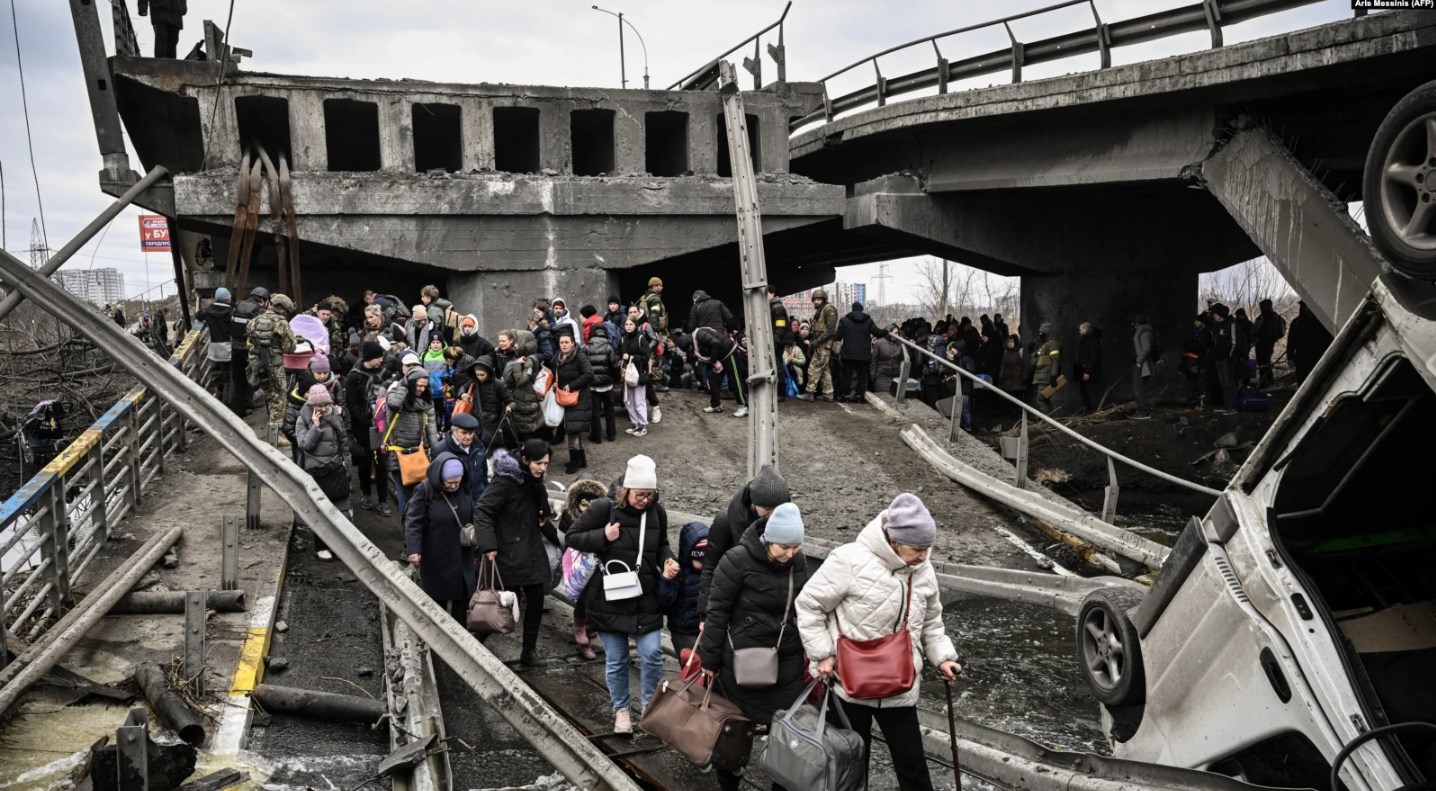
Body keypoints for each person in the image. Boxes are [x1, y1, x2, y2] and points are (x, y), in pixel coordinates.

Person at [796, 493, 962, 791]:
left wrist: (943, 657)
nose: (924, 556)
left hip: (900, 685)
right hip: (849, 685)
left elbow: (931, 622)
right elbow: (809, 605)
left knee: (913, 764)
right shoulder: (848, 559)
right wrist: (822, 654)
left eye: (928, 548)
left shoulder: (923, 571)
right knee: (851, 767)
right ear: (895, 541)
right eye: (917, 549)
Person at [564, 455, 678, 734]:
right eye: (640, 495)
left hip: (645, 596)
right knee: (617, 660)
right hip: (610, 596)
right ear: (627, 489)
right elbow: (572, 536)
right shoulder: (604, 508)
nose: (645, 500)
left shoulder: (657, 512)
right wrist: (603, 536)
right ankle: (622, 711)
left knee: (652, 654)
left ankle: (649, 709)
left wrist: (668, 559)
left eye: (650, 495)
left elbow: (661, 543)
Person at [700, 503, 808, 791]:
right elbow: (717, 611)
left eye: (796, 547)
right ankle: (730, 778)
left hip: (786, 658)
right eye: (784, 547)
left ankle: (781, 783)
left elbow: (804, 607)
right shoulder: (736, 560)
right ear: (768, 540)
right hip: (741, 659)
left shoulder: (797, 562)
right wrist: (709, 660)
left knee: (786, 729)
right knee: (734, 727)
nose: (790, 554)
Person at [474, 441, 558, 666]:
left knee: (536, 600)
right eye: (539, 463)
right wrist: (488, 545)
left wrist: (559, 537)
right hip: (509, 552)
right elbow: (482, 511)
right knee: (502, 604)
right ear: (525, 460)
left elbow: (540, 516)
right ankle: (473, 642)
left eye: (546, 464)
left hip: (531, 550)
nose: (543, 468)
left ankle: (529, 651)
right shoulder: (506, 482)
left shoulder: (535, 483)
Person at [699, 465, 790, 614]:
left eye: (777, 510)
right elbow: (710, 567)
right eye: (767, 510)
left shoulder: (789, 525)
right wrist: (705, 613)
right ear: (753, 503)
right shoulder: (725, 522)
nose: (772, 516)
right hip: (735, 605)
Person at [404, 454, 476, 622]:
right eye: (449, 482)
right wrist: (414, 550)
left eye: (457, 482)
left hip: (462, 555)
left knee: (462, 599)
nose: (454, 486)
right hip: (436, 557)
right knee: (437, 603)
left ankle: (459, 633)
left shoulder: (464, 488)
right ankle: (437, 634)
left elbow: (473, 513)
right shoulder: (425, 490)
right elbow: (413, 522)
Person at [296, 384, 351, 561]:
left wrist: (347, 465)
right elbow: (304, 445)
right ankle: (321, 546)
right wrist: (316, 426)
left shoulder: (335, 416)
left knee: (341, 509)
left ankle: (343, 545)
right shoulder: (303, 418)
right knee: (320, 510)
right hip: (316, 471)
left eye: (325, 404)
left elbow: (343, 441)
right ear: (312, 404)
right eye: (319, 405)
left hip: (336, 467)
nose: (322, 408)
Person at [560, 479, 609, 660]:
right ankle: (580, 629)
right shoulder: (570, 516)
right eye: (584, 503)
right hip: (578, 562)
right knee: (584, 595)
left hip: (599, 560)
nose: (587, 508)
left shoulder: (604, 516)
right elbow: (567, 536)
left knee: (597, 595)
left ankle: (589, 627)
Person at [345, 340, 393, 515]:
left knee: (382, 464)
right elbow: (351, 403)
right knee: (365, 463)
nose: (381, 360)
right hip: (362, 427)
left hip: (381, 426)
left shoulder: (384, 374)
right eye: (378, 357)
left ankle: (383, 500)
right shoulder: (354, 377)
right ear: (369, 358)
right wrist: (366, 420)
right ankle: (366, 494)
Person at [385, 367, 440, 511]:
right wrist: (404, 386)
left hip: (420, 453)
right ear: (410, 383)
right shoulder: (395, 394)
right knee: (405, 495)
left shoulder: (426, 400)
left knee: (420, 493)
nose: (422, 389)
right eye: (418, 385)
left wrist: (434, 449)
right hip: (398, 454)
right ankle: (406, 523)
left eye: (424, 386)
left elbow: (431, 425)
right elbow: (394, 404)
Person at [247, 292, 298, 446]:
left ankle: (271, 428)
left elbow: (249, 342)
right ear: (285, 309)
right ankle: (276, 436)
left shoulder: (255, 320)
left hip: (257, 366)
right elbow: (290, 347)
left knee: (269, 396)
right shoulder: (281, 323)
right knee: (279, 399)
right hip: (274, 367)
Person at [666, 522, 708, 665]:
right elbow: (665, 602)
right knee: (691, 667)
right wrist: (666, 580)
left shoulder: (713, 573)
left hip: (705, 630)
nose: (703, 564)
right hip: (683, 631)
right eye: (699, 560)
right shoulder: (678, 574)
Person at [553, 328, 594, 474]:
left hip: (578, 397)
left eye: (566, 342)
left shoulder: (579, 356)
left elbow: (589, 373)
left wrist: (572, 385)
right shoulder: (559, 356)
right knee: (572, 429)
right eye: (561, 342)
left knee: (572, 430)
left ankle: (575, 461)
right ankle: (581, 459)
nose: (564, 345)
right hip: (567, 397)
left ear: (572, 343)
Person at [684, 325, 748, 418]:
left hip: (729, 352)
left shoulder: (700, 334)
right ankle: (715, 405)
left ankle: (743, 406)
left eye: (689, 348)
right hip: (721, 357)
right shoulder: (697, 338)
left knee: (735, 380)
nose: (691, 349)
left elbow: (715, 342)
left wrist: (713, 360)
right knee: (713, 378)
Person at [835, 302, 889, 403]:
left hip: (848, 354)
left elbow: (837, 336)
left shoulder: (844, 320)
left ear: (852, 309)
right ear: (862, 309)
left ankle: (846, 396)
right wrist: (886, 330)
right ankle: (859, 397)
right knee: (862, 377)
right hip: (864, 355)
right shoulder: (868, 321)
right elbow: (878, 333)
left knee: (847, 376)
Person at [502, 329, 547, 442]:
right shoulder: (521, 357)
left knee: (526, 429)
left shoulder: (530, 360)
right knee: (521, 428)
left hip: (526, 399)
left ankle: (532, 450)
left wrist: (516, 365)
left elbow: (521, 380)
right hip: (522, 398)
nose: (514, 345)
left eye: (517, 342)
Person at [798, 288, 840, 401]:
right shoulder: (820, 311)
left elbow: (831, 330)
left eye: (819, 299)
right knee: (824, 369)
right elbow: (817, 329)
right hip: (820, 343)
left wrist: (817, 342)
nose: (816, 301)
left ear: (824, 300)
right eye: (815, 299)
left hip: (824, 344)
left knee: (814, 368)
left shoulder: (829, 310)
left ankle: (810, 392)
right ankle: (828, 394)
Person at [195, 288, 233, 404]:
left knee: (217, 375)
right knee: (228, 377)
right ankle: (226, 404)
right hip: (228, 348)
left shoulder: (208, 311)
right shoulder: (231, 312)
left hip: (214, 349)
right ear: (227, 300)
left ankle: (218, 398)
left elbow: (198, 315)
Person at [441, 412, 488, 505]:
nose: (468, 437)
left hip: (479, 502)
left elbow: (484, 476)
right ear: (454, 430)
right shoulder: (442, 450)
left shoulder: (479, 447)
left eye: (471, 433)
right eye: (464, 433)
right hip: (457, 504)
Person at [619, 317, 652, 437]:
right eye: (626, 324)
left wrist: (631, 357)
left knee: (639, 401)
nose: (628, 326)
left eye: (631, 324)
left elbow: (646, 356)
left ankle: (643, 426)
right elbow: (620, 354)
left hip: (638, 374)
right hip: (627, 374)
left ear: (635, 325)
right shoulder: (623, 339)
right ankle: (635, 424)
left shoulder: (641, 338)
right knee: (629, 401)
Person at [585, 323, 618, 444]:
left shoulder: (586, 347)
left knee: (595, 412)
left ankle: (596, 436)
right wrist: (616, 379)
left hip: (593, 385)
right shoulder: (609, 347)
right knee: (610, 409)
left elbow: (584, 367)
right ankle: (611, 434)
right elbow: (615, 366)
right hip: (607, 384)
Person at [1286, 301, 1332, 384]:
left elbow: (1329, 338)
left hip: (1318, 355)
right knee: (1302, 380)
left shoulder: (1321, 321)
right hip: (1301, 356)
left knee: (1319, 379)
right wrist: (1290, 357)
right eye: (1307, 306)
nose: (1309, 308)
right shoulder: (1296, 322)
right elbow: (1291, 341)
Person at [1209, 304, 1238, 414]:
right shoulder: (1216, 325)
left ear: (1220, 314)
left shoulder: (1231, 324)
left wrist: (1230, 356)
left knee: (1229, 382)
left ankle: (1232, 406)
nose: (1213, 316)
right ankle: (1226, 404)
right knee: (1223, 382)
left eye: (1215, 314)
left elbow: (1235, 342)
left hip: (1227, 359)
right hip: (1218, 358)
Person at [1180, 315, 1212, 409]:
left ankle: (1200, 403)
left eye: (1197, 321)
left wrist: (1194, 345)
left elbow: (1203, 346)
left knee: (1200, 383)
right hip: (1191, 361)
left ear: (1202, 322)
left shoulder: (1207, 334)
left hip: (1202, 362)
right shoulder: (1194, 332)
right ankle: (1191, 403)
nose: (1195, 323)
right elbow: (1185, 343)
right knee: (1190, 383)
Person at [1253, 298, 1285, 388]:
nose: (1261, 308)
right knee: (1262, 362)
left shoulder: (1273, 317)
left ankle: (1268, 381)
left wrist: (1271, 337)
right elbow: (1256, 329)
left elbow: (1273, 331)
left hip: (1267, 343)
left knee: (1265, 362)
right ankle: (1264, 381)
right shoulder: (1263, 317)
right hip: (1261, 342)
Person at [1030, 322, 1062, 410]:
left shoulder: (1053, 344)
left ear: (1047, 332)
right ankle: (1052, 417)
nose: (1040, 334)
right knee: (1045, 399)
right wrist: (1034, 350)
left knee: (1041, 399)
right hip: (1042, 376)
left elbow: (1055, 360)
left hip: (1047, 376)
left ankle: (1046, 418)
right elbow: (1036, 360)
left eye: (1042, 332)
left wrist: (1053, 376)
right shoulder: (1044, 345)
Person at [768, 288, 793, 399]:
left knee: (777, 365)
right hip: (777, 340)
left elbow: (780, 326)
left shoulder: (777, 307)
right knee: (776, 364)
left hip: (778, 341)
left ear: (772, 294)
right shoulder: (773, 306)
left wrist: (774, 340)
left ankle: (780, 392)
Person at [1074, 322, 1104, 414]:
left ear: (1086, 329)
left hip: (1091, 374)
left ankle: (1094, 412)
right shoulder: (1084, 341)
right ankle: (1088, 411)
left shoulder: (1093, 341)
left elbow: (1094, 358)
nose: (1079, 331)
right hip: (1083, 373)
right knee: (1085, 393)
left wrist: (1087, 372)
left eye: (1080, 329)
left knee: (1092, 394)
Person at [1130, 316, 1156, 419]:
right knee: (1137, 388)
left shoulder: (1144, 333)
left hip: (1141, 365)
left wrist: (1139, 361)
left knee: (1138, 389)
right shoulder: (1142, 332)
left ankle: (1144, 411)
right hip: (1139, 364)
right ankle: (1140, 410)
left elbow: (1146, 348)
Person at [998, 334, 1027, 415]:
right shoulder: (1005, 354)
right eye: (1009, 342)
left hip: (1018, 381)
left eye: (1012, 342)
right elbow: (1003, 366)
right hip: (1008, 381)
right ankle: (1011, 414)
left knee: (1018, 399)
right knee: (1009, 400)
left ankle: (1018, 415)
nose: (1010, 344)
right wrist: (1001, 377)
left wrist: (1024, 378)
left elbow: (1024, 366)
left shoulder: (1020, 352)